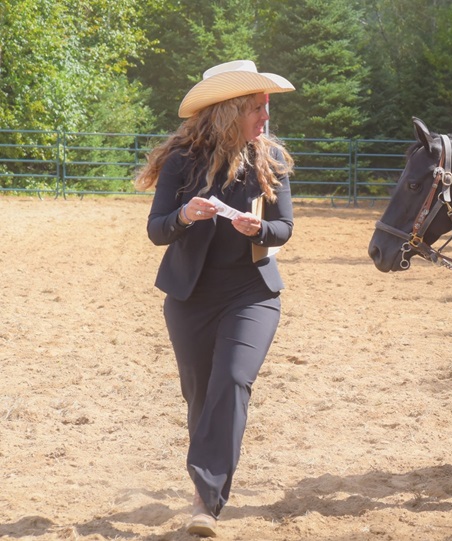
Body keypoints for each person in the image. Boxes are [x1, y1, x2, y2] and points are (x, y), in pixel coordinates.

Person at [134, 60, 295, 536]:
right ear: (229, 111)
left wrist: (259, 228)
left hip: (253, 294)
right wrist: (184, 214)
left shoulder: (271, 158)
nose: (265, 119)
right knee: (201, 397)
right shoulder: (184, 160)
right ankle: (207, 484)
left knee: (232, 379)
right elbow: (157, 230)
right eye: (257, 109)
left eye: (267, 108)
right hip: (191, 299)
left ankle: (206, 501)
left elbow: (284, 226)